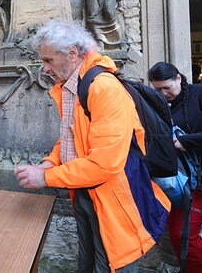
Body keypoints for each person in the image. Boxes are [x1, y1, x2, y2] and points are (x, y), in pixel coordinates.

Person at [14, 20, 170, 272]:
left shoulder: (104, 88)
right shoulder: (73, 86)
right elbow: (71, 136)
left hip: (114, 200)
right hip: (87, 194)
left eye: (48, 60)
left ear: (72, 54)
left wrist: (47, 177)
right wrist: (49, 162)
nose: (44, 69)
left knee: (110, 264)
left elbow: (104, 164)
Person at [148, 62, 202, 273]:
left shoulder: (199, 93)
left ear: (178, 78)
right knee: (179, 234)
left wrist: (187, 141)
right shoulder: (158, 102)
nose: (163, 93)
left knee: (183, 234)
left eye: (167, 87)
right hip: (174, 180)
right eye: (157, 89)